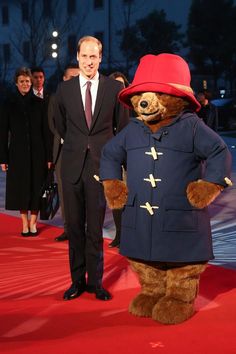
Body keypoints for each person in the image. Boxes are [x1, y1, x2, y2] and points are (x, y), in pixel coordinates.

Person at [54, 35, 129, 301]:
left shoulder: (112, 89)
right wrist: (77, 143)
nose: (88, 61)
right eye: (84, 56)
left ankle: (96, 282)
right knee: (74, 227)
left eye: (93, 56)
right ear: (77, 57)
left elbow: (122, 128)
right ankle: (77, 281)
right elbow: (58, 124)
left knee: (95, 229)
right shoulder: (65, 90)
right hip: (72, 166)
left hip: (100, 167)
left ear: (101, 58)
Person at [0, 67, 53, 236]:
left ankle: (33, 222)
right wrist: (3, 159)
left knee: (37, 186)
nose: (25, 84)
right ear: (16, 83)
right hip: (17, 154)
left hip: (39, 154)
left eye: (28, 81)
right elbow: (2, 133)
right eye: (22, 81)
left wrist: (50, 156)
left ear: (32, 83)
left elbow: (47, 132)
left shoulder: (40, 104)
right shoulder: (8, 104)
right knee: (21, 188)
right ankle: (24, 223)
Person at [48, 64, 80, 242]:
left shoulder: (88, 97)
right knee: (64, 191)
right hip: (62, 151)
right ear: (64, 79)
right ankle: (68, 229)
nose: (75, 80)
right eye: (72, 77)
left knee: (82, 192)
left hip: (84, 151)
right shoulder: (56, 97)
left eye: (78, 76)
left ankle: (82, 227)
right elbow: (52, 123)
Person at [108, 71, 130, 248]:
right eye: (115, 85)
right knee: (116, 196)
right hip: (113, 158)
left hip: (132, 158)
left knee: (132, 196)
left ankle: (133, 233)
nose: (118, 89)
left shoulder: (133, 107)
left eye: (121, 85)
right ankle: (120, 234)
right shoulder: (104, 109)